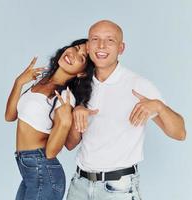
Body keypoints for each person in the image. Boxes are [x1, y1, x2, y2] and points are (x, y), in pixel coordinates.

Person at [65, 20, 186, 200]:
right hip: (79, 186)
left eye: (110, 40)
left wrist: (159, 106)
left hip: (118, 189)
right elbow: (70, 144)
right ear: (88, 47)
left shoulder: (138, 85)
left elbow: (180, 133)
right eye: (95, 39)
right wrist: (76, 115)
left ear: (121, 48)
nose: (102, 45)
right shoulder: (80, 84)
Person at [5, 39, 95, 200]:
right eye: (75, 48)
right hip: (30, 171)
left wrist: (65, 122)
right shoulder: (43, 81)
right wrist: (19, 82)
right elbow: (10, 116)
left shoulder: (66, 98)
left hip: (43, 171)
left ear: (81, 73)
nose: (73, 54)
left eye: (81, 58)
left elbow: (51, 152)